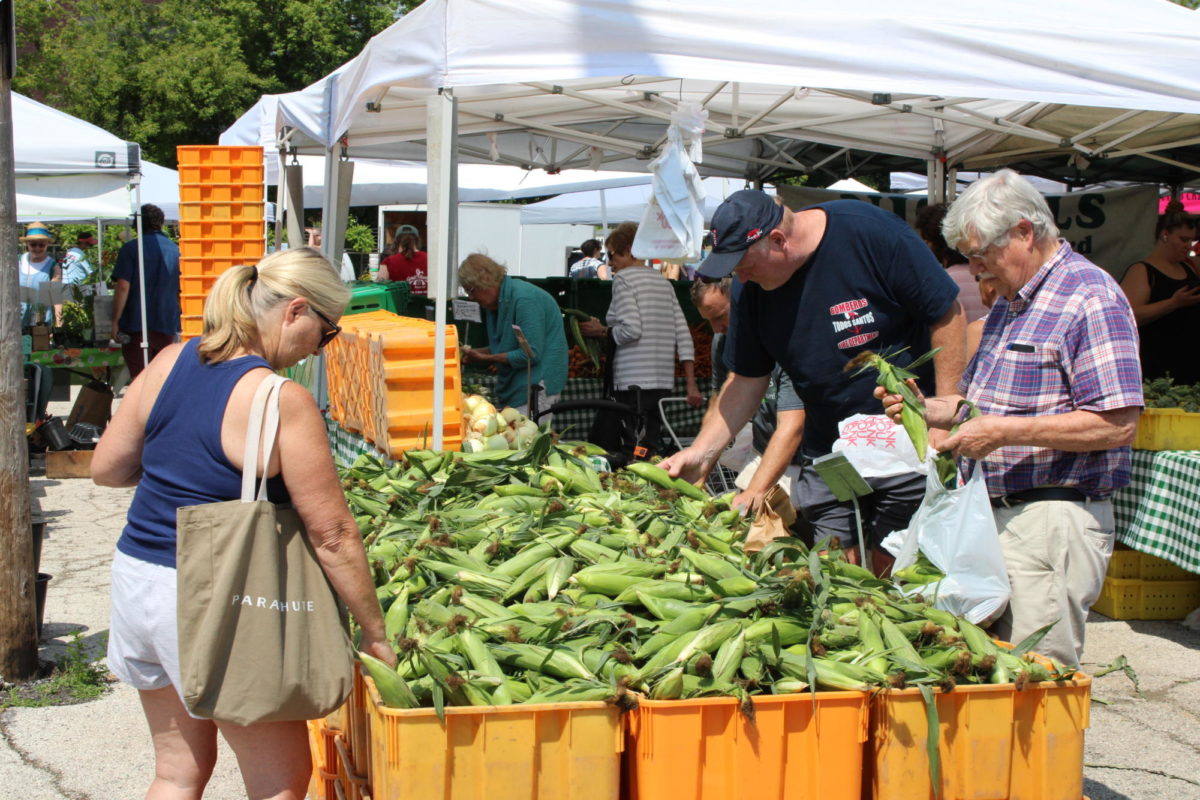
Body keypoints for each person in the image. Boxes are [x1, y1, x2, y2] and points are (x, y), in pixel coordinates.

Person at [91, 247, 396, 800]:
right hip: (213, 596)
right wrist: (375, 634)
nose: (319, 350)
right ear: (296, 311)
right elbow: (332, 535)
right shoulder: (279, 399)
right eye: (328, 333)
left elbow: (106, 470)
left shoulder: (169, 361)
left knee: (176, 772)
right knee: (279, 781)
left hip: (139, 579)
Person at [880, 169, 1142, 666]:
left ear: (1025, 232)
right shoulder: (1015, 302)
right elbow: (982, 408)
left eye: (982, 253)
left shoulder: (1090, 298)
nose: (975, 266)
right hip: (993, 516)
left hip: (1050, 518)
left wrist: (1002, 432)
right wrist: (926, 407)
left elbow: (1117, 423)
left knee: (1032, 678)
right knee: (985, 676)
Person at [660, 190, 966, 569]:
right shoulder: (750, 288)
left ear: (777, 240)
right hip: (831, 453)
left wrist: (945, 408)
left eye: (743, 262)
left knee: (896, 566)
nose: (739, 276)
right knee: (834, 565)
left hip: (903, 444)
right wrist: (701, 452)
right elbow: (745, 379)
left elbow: (946, 312)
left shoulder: (869, 233)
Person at [579, 222, 702, 462]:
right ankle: (645, 481)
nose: (610, 263)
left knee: (630, 448)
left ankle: (630, 485)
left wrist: (602, 331)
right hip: (662, 381)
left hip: (632, 381)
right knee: (646, 444)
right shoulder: (664, 283)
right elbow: (683, 334)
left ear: (628, 250)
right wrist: (691, 383)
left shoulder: (624, 279)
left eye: (612, 255)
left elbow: (631, 330)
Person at [691, 278, 806, 517]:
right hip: (763, 451)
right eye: (709, 320)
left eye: (721, 316)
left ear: (742, 301)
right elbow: (719, 408)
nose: (716, 328)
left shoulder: (787, 337)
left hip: (807, 462)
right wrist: (701, 470)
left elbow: (794, 425)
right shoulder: (721, 343)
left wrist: (756, 489)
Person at [458, 253, 569, 419]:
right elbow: (503, 349)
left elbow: (530, 354)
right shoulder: (497, 304)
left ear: (485, 280)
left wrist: (487, 358)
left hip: (537, 384)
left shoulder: (524, 300)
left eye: (471, 290)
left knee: (526, 440)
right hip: (517, 386)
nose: (471, 297)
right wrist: (474, 354)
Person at [1119, 200, 1200, 384]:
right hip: (1158, 363)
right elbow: (1129, 316)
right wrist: (1173, 303)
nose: (1189, 246)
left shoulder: (1190, 267)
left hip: (1190, 362)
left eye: (1192, 240)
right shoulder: (1142, 270)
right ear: (1165, 235)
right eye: (1183, 240)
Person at [112, 204, 181, 379]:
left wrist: (115, 320)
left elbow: (123, 286)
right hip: (166, 322)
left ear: (137, 225)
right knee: (162, 377)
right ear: (161, 223)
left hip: (136, 322)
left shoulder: (130, 249)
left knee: (140, 379)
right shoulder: (176, 250)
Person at [915, 202, 990, 323]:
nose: (925, 247)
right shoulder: (988, 276)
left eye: (927, 241)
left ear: (937, 243)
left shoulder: (943, 281)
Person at [18, 221, 62, 328]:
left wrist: (59, 325)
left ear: (47, 244)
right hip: (17, 321)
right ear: (27, 244)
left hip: (41, 322)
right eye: (33, 244)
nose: (37, 248)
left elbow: (56, 298)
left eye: (41, 245)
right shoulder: (17, 262)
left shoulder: (53, 267)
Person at [379, 224, 429, 295]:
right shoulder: (430, 258)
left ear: (396, 241)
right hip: (427, 305)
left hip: (398, 305)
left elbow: (380, 288)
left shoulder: (389, 261)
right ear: (417, 240)